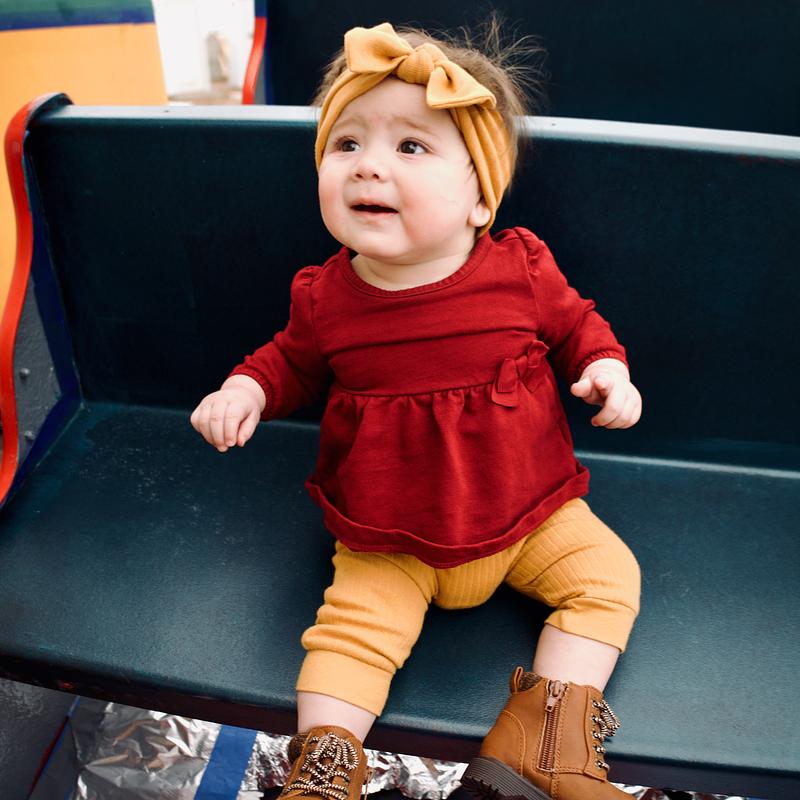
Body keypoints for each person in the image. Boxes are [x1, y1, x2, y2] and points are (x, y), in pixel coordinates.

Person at [190, 21, 642, 800]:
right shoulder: (326, 297)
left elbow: (578, 326)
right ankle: (324, 767)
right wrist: (244, 391)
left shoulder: (522, 269)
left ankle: (543, 744)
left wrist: (607, 371)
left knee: (607, 579)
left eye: (410, 147)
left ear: (480, 198)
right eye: (346, 144)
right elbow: (288, 361)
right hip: (389, 535)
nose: (368, 164)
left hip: (529, 513)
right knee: (350, 637)